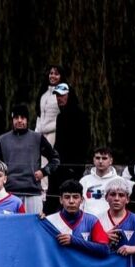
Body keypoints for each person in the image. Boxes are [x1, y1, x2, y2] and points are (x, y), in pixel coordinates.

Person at [0, 103, 60, 214]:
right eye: (16, 118)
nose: (19, 120)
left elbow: (55, 159)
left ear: (27, 119)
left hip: (32, 193)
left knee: (33, 224)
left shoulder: (37, 138)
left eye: (22, 117)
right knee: (10, 224)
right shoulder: (2, 140)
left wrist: (44, 172)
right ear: (12, 119)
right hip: (9, 193)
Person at [45, 83, 90, 213]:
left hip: (73, 168)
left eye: (62, 95)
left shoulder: (81, 116)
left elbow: (84, 143)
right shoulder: (60, 117)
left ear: (69, 96)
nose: (59, 98)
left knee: (70, 201)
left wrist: (75, 167)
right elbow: (59, 143)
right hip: (59, 167)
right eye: (57, 96)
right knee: (52, 200)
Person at [43, 180, 110, 257]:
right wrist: (38, 220)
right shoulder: (50, 220)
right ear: (61, 200)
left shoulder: (92, 221)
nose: (71, 201)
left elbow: (105, 249)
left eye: (75, 197)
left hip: (83, 264)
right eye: (67, 197)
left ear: (81, 200)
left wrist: (74, 240)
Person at [79, 147, 122, 217]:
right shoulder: (84, 180)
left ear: (111, 161)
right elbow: (80, 204)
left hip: (110, 221)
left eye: (104, 158)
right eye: (97, 158)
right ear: (93, 160)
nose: (100, 161)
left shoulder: (119, 181)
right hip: (88, 221)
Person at [34, 65, 65, 146]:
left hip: (53, 132)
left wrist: (55, 127)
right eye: (51, 73)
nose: (53, 76)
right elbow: (39, 113)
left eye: (56, 74)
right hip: (39, 132)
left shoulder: (63, 94)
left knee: (47, 153)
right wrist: (37, 130)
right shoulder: (43, 92)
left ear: (61, 76)